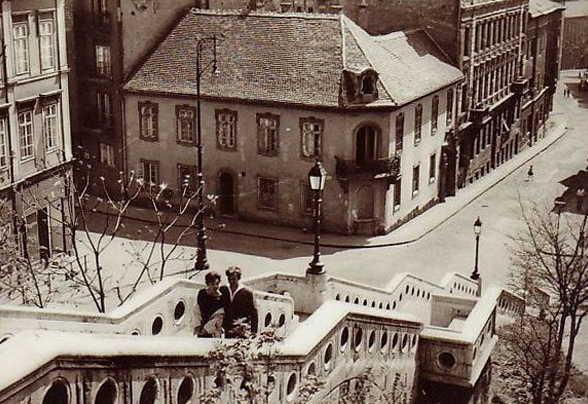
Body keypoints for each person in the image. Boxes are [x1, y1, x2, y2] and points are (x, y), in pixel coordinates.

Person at [221, 266, 258, 338]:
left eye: (234, 279)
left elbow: (254, 312)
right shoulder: (224, 289)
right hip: (228, 328)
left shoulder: (247, 292)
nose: (231, 281)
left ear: (239, 278)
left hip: (242, 327)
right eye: (229, 279)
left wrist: (254, 332)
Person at [194, 271, 227, 338]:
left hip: (214, 328)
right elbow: (198, 309)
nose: (215, 286)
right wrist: (198, 326)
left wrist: (206, 329)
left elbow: (219, 316)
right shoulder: (202, 294)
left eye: (217, 284)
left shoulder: (221, 297)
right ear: (208, 284)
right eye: (212, 284)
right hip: (202, 325)